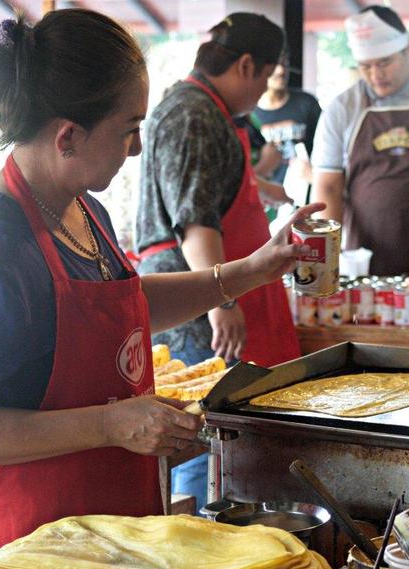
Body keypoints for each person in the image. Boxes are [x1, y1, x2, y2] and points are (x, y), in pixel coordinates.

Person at [0, 9, 321, 569]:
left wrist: (253, 270)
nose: (136, 147)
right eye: (129, 129)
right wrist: (110, 423)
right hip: (40, 555)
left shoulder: (82, 206)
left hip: (115, 529)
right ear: (68, 135)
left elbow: (126, 303)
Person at [134, 12, 302, 513]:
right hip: (191, 307)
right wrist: (222, 298)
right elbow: (194, 223)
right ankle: (196, 545)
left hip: (208, 294)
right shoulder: (193, 114)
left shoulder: (211, 113)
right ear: (247, 64)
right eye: (268, 75)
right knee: (197, 433)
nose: (262, 91)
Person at [311, 5, 409, 276]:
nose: (375, 75)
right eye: (365, 66)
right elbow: (328, 189)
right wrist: (327, 262)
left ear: (408, 49)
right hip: (364, 254)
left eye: (384, 63)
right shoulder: (342, 109)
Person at [240, 51, 321, 198]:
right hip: (265, 199)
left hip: (306, 196)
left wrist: (315, 176)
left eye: (285, 64)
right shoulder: (246, 112)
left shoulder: (307, 103)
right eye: (274, 65)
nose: (281, 70)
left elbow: (328, 150)